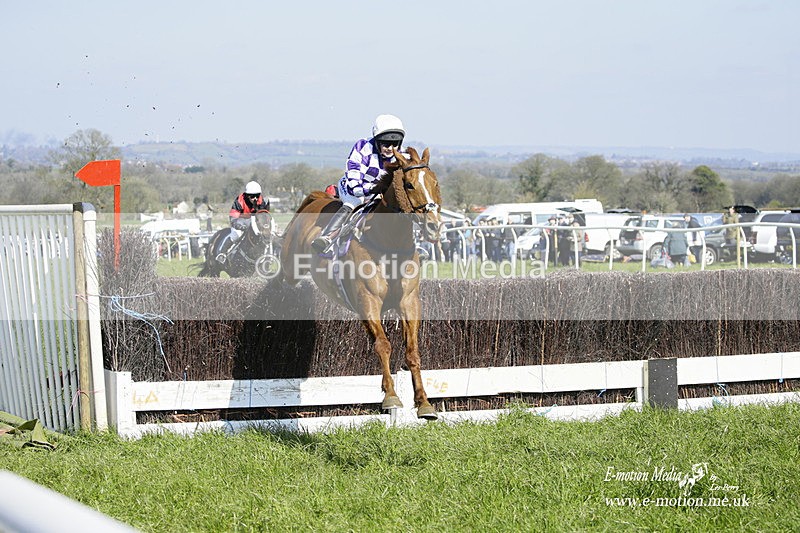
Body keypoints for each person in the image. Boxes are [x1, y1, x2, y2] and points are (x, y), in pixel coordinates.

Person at [312, 114, 406, 253]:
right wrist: (369, 189)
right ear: (377, 141)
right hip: (353, 188)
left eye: (395, 144)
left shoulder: (402, 155)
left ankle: (411, 245)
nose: (390, 148)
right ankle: (327, 237)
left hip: (379, 193)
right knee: (352, 204)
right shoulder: (363, 147)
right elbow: (354, 175)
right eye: (386, 144)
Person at [216, 180, 270, 261]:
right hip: (240, 220)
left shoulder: (261, 201)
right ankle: (222, 253)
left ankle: (267, 256)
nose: (255, 198)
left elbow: (263, 215)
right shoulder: (240, 200)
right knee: (236, 234)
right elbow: (233, 217)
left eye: (257, 195)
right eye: (252, 196)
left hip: (253, 221)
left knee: (265, 235)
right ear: (247, 195)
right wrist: (238, 226)